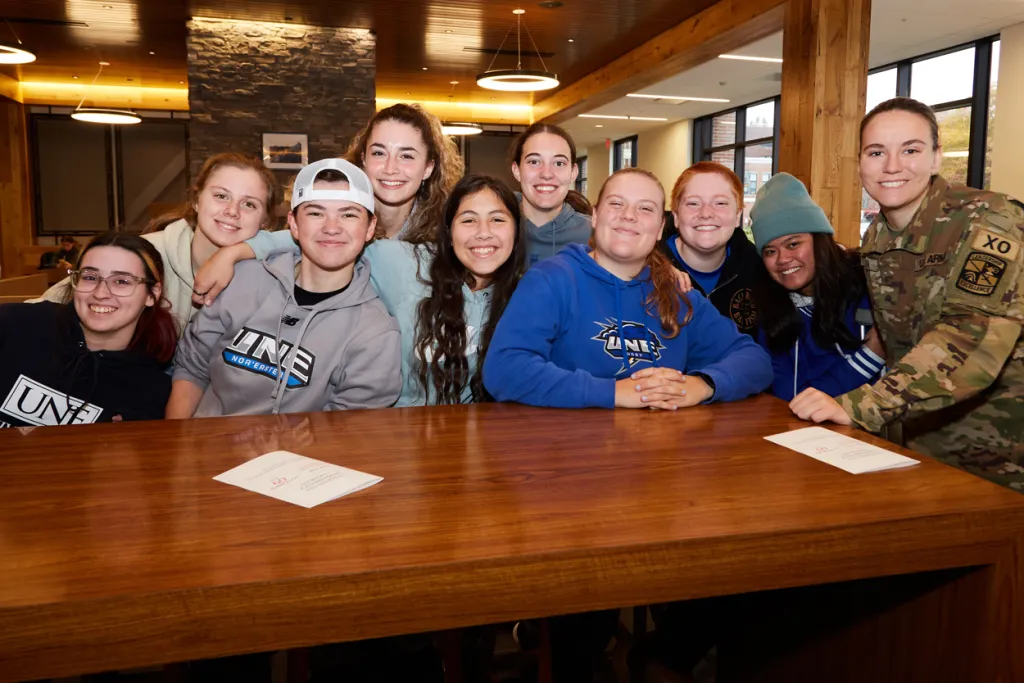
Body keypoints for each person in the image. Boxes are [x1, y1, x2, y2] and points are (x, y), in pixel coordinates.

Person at [482, 167, 772, 683]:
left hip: (660, 486)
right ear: (594, 215)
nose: (628, 218)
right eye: (616, 204)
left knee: (743, 567)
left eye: (644, 209)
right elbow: (505, 368)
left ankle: (660, 654)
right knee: (585, 619)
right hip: (570, 488)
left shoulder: (675, 292)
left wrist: (700, 384)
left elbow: (752, 359)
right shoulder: (552, 280)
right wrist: (616, 393)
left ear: (660, 226)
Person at [790, 97, 1024, 491]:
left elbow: (970, 338)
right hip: (919, 444)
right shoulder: (878, 235)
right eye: (876, 152)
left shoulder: (990, 219)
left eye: (911, 150)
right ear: (860, 164)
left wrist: (863, 406)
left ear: (936, 159)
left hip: (1000, 456)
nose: (893, 166)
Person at [195, 174, 527, 407]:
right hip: (388, 429)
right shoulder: (406, 263)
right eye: (468, 220)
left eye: (498, 220)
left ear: (516, 230)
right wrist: (238, 251)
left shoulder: (525, 297)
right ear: (449, 231)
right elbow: (329, 239)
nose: (483, 233)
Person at [165, 158, 401, 418]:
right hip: (206, 447)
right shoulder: (242, 281)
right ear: (294, 225)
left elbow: (346, 428)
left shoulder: (375, 333)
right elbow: (192, 368)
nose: (331, 228)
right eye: (315, 213)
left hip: (301, 457)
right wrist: (178, 445)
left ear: (369, 228)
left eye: (348, 214)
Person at [32, 153, 280, 336]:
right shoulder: (141, 254)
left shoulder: (273, 270)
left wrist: (234, 253)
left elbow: (307, 238)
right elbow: (45, 308)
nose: (231, 211)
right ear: (196, 201)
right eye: (221, 196)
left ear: (265, 221)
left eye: (249, 204)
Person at [0, 232, 176, 428]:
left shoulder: (150, 390)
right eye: (90, 277)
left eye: (121, 281)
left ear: (152, 294)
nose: (100, 293)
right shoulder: (17, 324)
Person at [750, 172, 885, 400]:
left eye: (793, 244)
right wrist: (870, 356)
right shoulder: (771, 306)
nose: (782, 259)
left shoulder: (870, 286)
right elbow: (787, 394)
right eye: (770, 251)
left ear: (819, 240)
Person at [661, 162, 762, 336]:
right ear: (676, 216)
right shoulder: (646, 271)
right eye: (693, 203)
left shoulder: (757, 269)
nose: (706, 213)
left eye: (720, 203)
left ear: (738, 215)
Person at [344, 102, 464, 242]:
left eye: (406, 156)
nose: (390, 169)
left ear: (428, 168)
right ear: (363, 159)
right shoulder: (335, 225)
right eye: (379, 153)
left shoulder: (448, 237)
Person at [510, 123, 592, 267]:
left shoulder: (595, 235)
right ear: (517, 170)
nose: (546, 174)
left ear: (573, 172)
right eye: (534, 162)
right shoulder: (494, 227)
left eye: (559, 163)